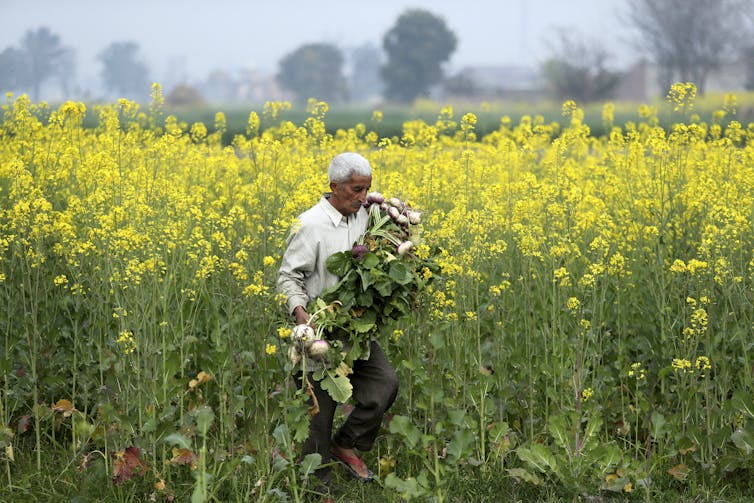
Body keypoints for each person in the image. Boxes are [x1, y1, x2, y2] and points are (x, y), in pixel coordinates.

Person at [277, 152, 399, 487]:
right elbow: (288, 278)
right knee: (319, 416)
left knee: (384, 385)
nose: (362, 198)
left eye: (367, 190)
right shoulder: (310, 225)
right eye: (356, 190)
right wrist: (303, 317)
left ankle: (347, 445)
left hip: (356, 332)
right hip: (321, 335)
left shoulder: (365, 216)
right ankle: (317, 487)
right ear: (334, 186)